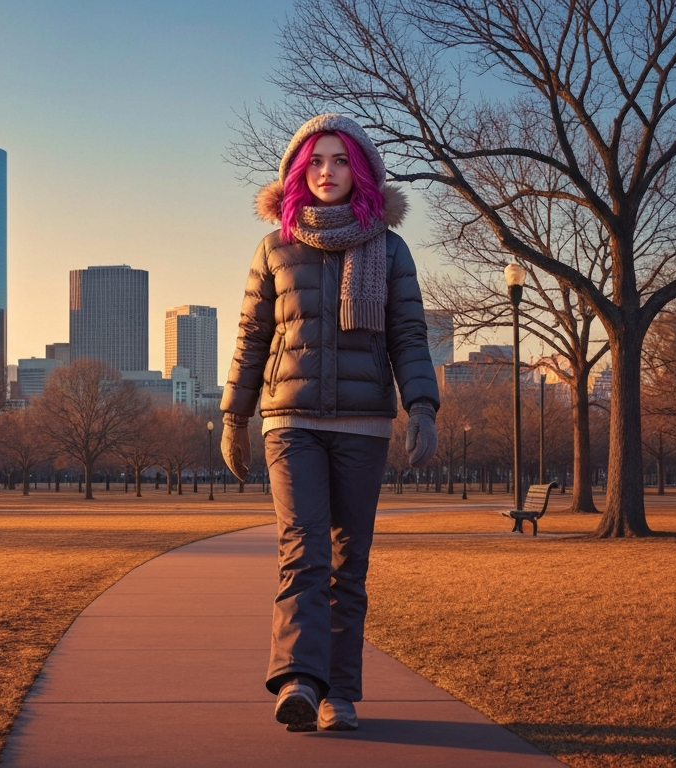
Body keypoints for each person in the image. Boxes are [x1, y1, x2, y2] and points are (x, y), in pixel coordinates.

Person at [220, 113, 440, 733]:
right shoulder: (274, 248)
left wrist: (422, 406)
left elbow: (408, 335)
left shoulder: (389, 249)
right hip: (288, 421)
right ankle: (297, 679)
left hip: (364, 424)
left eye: (340, 160)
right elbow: (251, 337)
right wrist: (234, 416)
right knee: (304, 551)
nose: (327, 171)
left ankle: (337, 693)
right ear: (297, 171)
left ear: (360, 170)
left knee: (349, 561)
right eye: (315, 161)